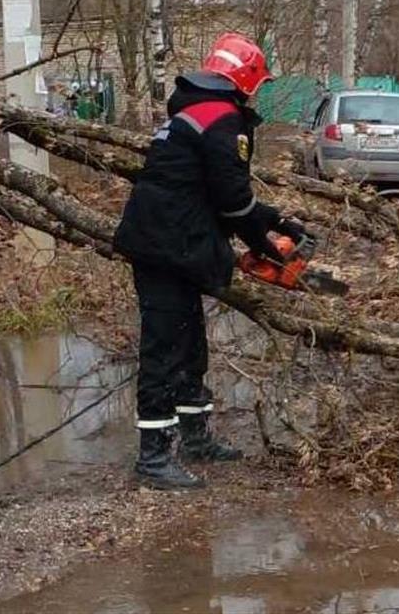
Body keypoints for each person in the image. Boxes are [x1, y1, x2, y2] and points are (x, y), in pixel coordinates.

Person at [114, 33, 305, 489]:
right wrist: (263, 245)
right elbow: (233, 201)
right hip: (165, 246)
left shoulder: (197, 112)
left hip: (175, 240)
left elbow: (216, 192)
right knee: (163, 347)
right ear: (248, 79)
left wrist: (280, 222)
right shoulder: (222, 119)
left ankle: (195, 437)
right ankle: (153, 457)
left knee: (190, 342)